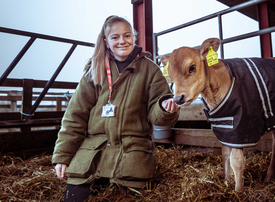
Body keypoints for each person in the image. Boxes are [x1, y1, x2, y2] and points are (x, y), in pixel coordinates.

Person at [52, 15, 180, 202]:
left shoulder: (150, 69)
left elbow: (157, 111)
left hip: (132, 156)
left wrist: (165, 108)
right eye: (115, 37)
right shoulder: (94, 69)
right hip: (91, 156)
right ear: (106, 41)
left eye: (127, 36)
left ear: (134, 38)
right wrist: (63, 156)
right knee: (74, 198)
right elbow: (75, 115)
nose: (122, 41)